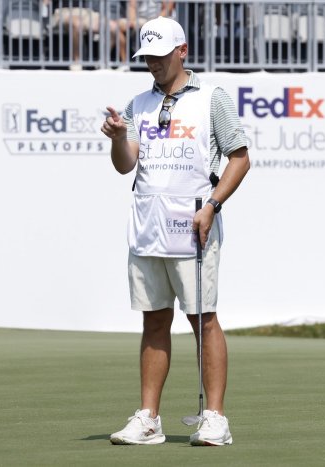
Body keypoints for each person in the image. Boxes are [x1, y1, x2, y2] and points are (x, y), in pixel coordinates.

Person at [100, 16, 250, 445]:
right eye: (147, 57)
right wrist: (116, 137)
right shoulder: (138, 104)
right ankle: (148, 418)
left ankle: (215, 418)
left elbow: (240, 158)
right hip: (147, 227)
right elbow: (125, 163)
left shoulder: (212, 99)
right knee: (154, 321)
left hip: (193, 226)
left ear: (182, 51)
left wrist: (213, 206)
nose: (153, 64)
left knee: (203, 320)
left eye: (160, 55)